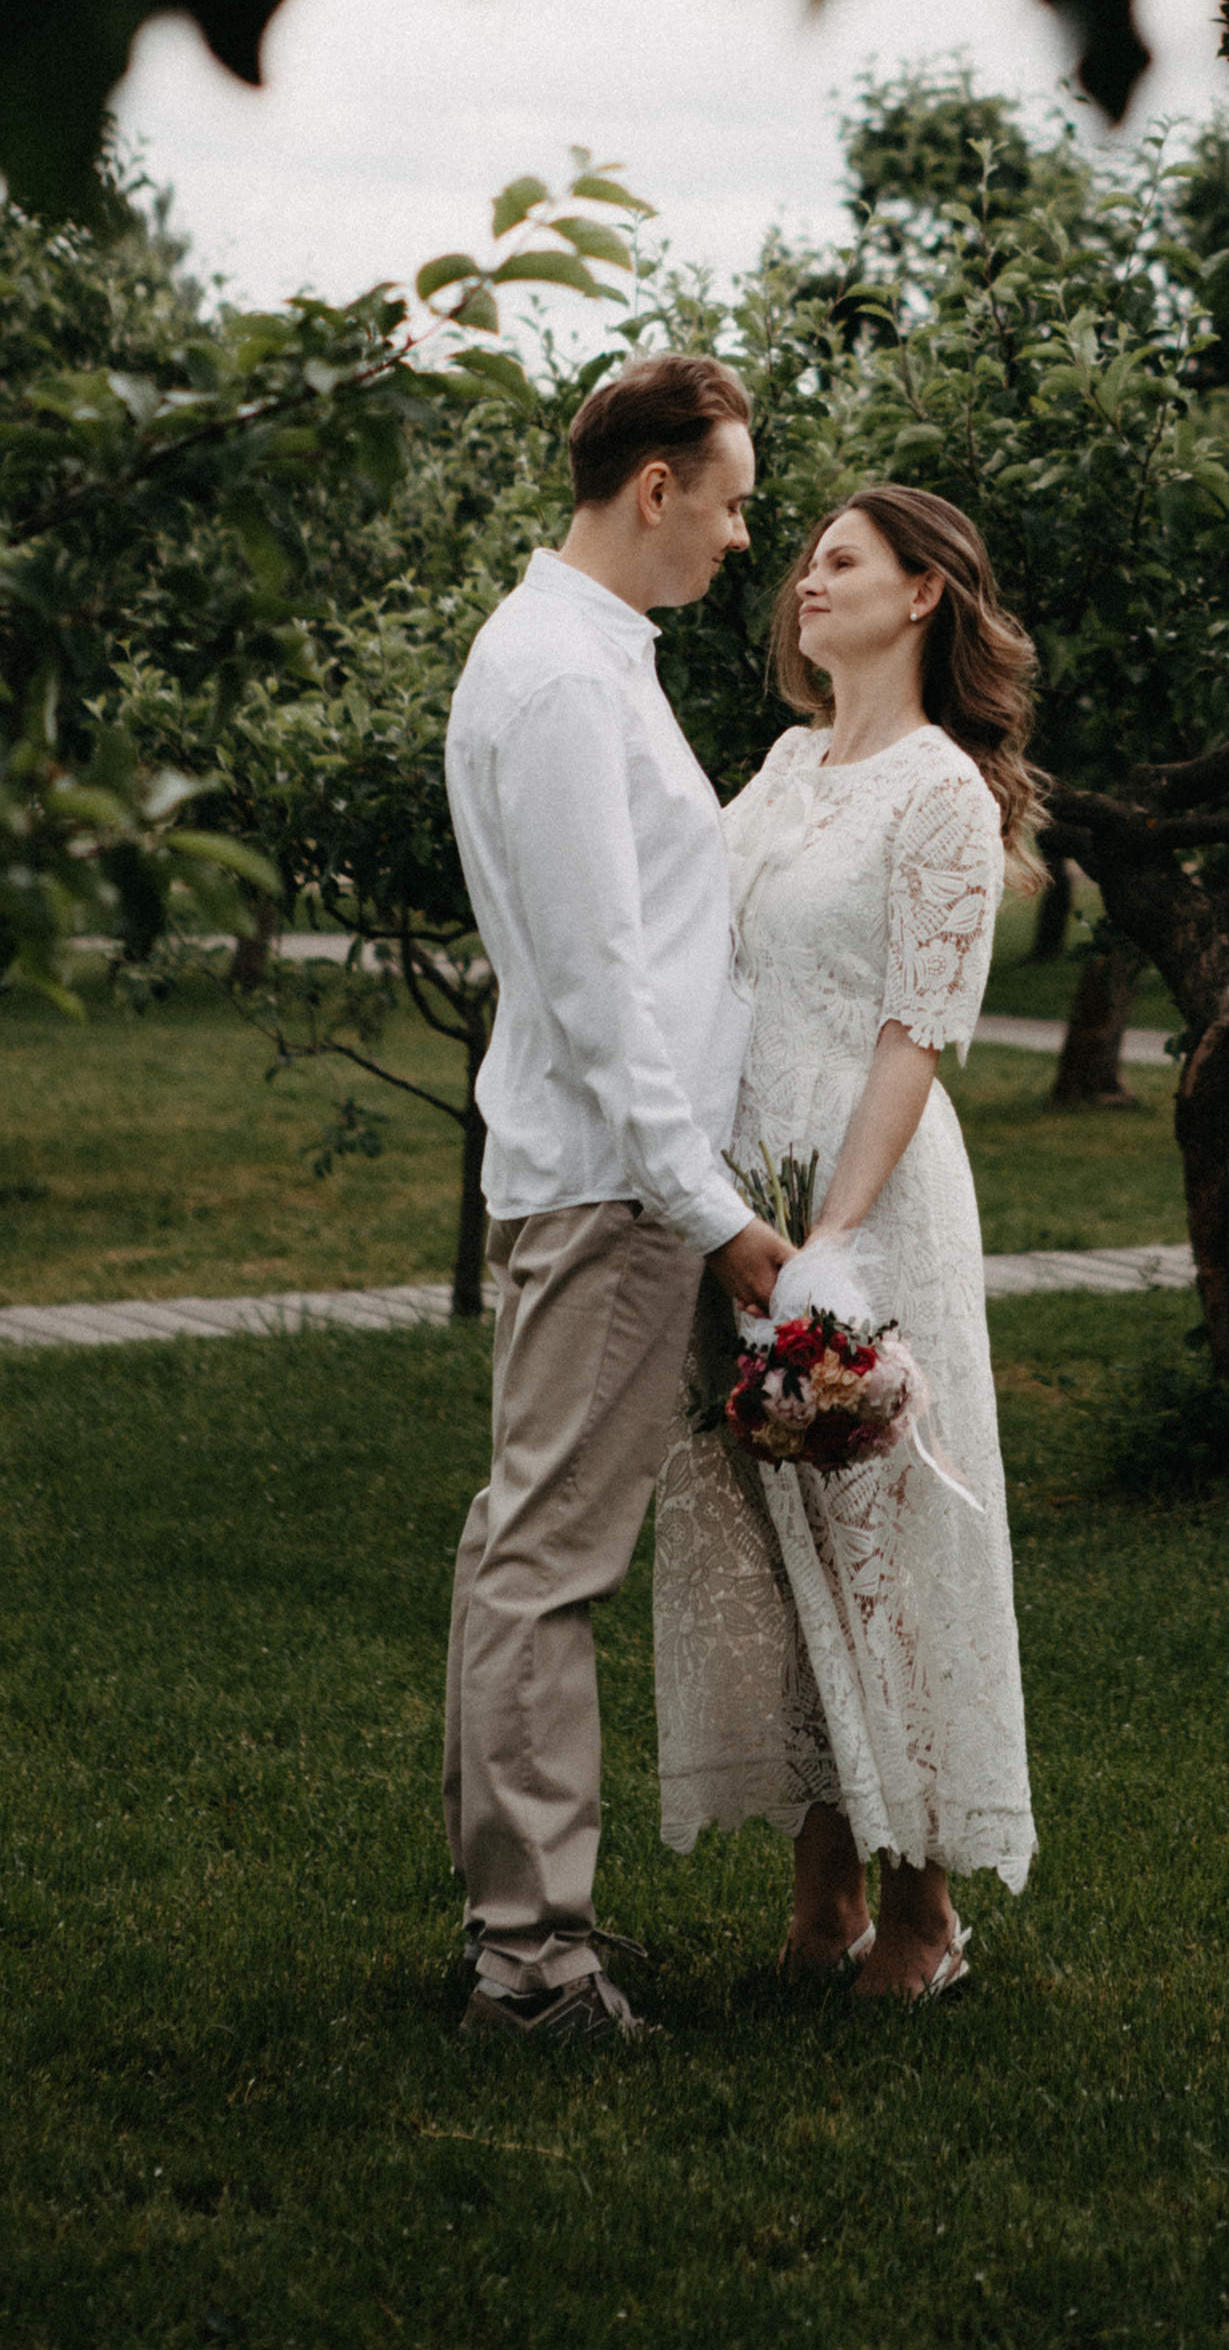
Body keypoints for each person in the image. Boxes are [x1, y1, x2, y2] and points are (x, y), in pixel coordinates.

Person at [440, 352, 793, 2045]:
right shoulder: (565, 681)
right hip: (613, 1193)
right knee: (546, 1568)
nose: (742, 539)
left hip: (596, 1182)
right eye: (728, 505)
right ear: (654, 486)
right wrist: (707, 1204)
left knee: (519, 1546)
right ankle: (532, 1968)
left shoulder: (582, 657)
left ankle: (517, 1933)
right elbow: (600, 993)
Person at [652, 484, 1041, 1998]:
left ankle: (925, 1910)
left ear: (924, 593)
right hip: (746, 1194)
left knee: (893, 1541)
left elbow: (914, 1035)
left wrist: (832, 1247)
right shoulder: (785, 764)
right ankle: (822, 1900)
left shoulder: (943, 792)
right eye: (804, 564)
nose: (803, 584)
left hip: (866, 1199)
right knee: (782, 1542)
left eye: (838, 563)